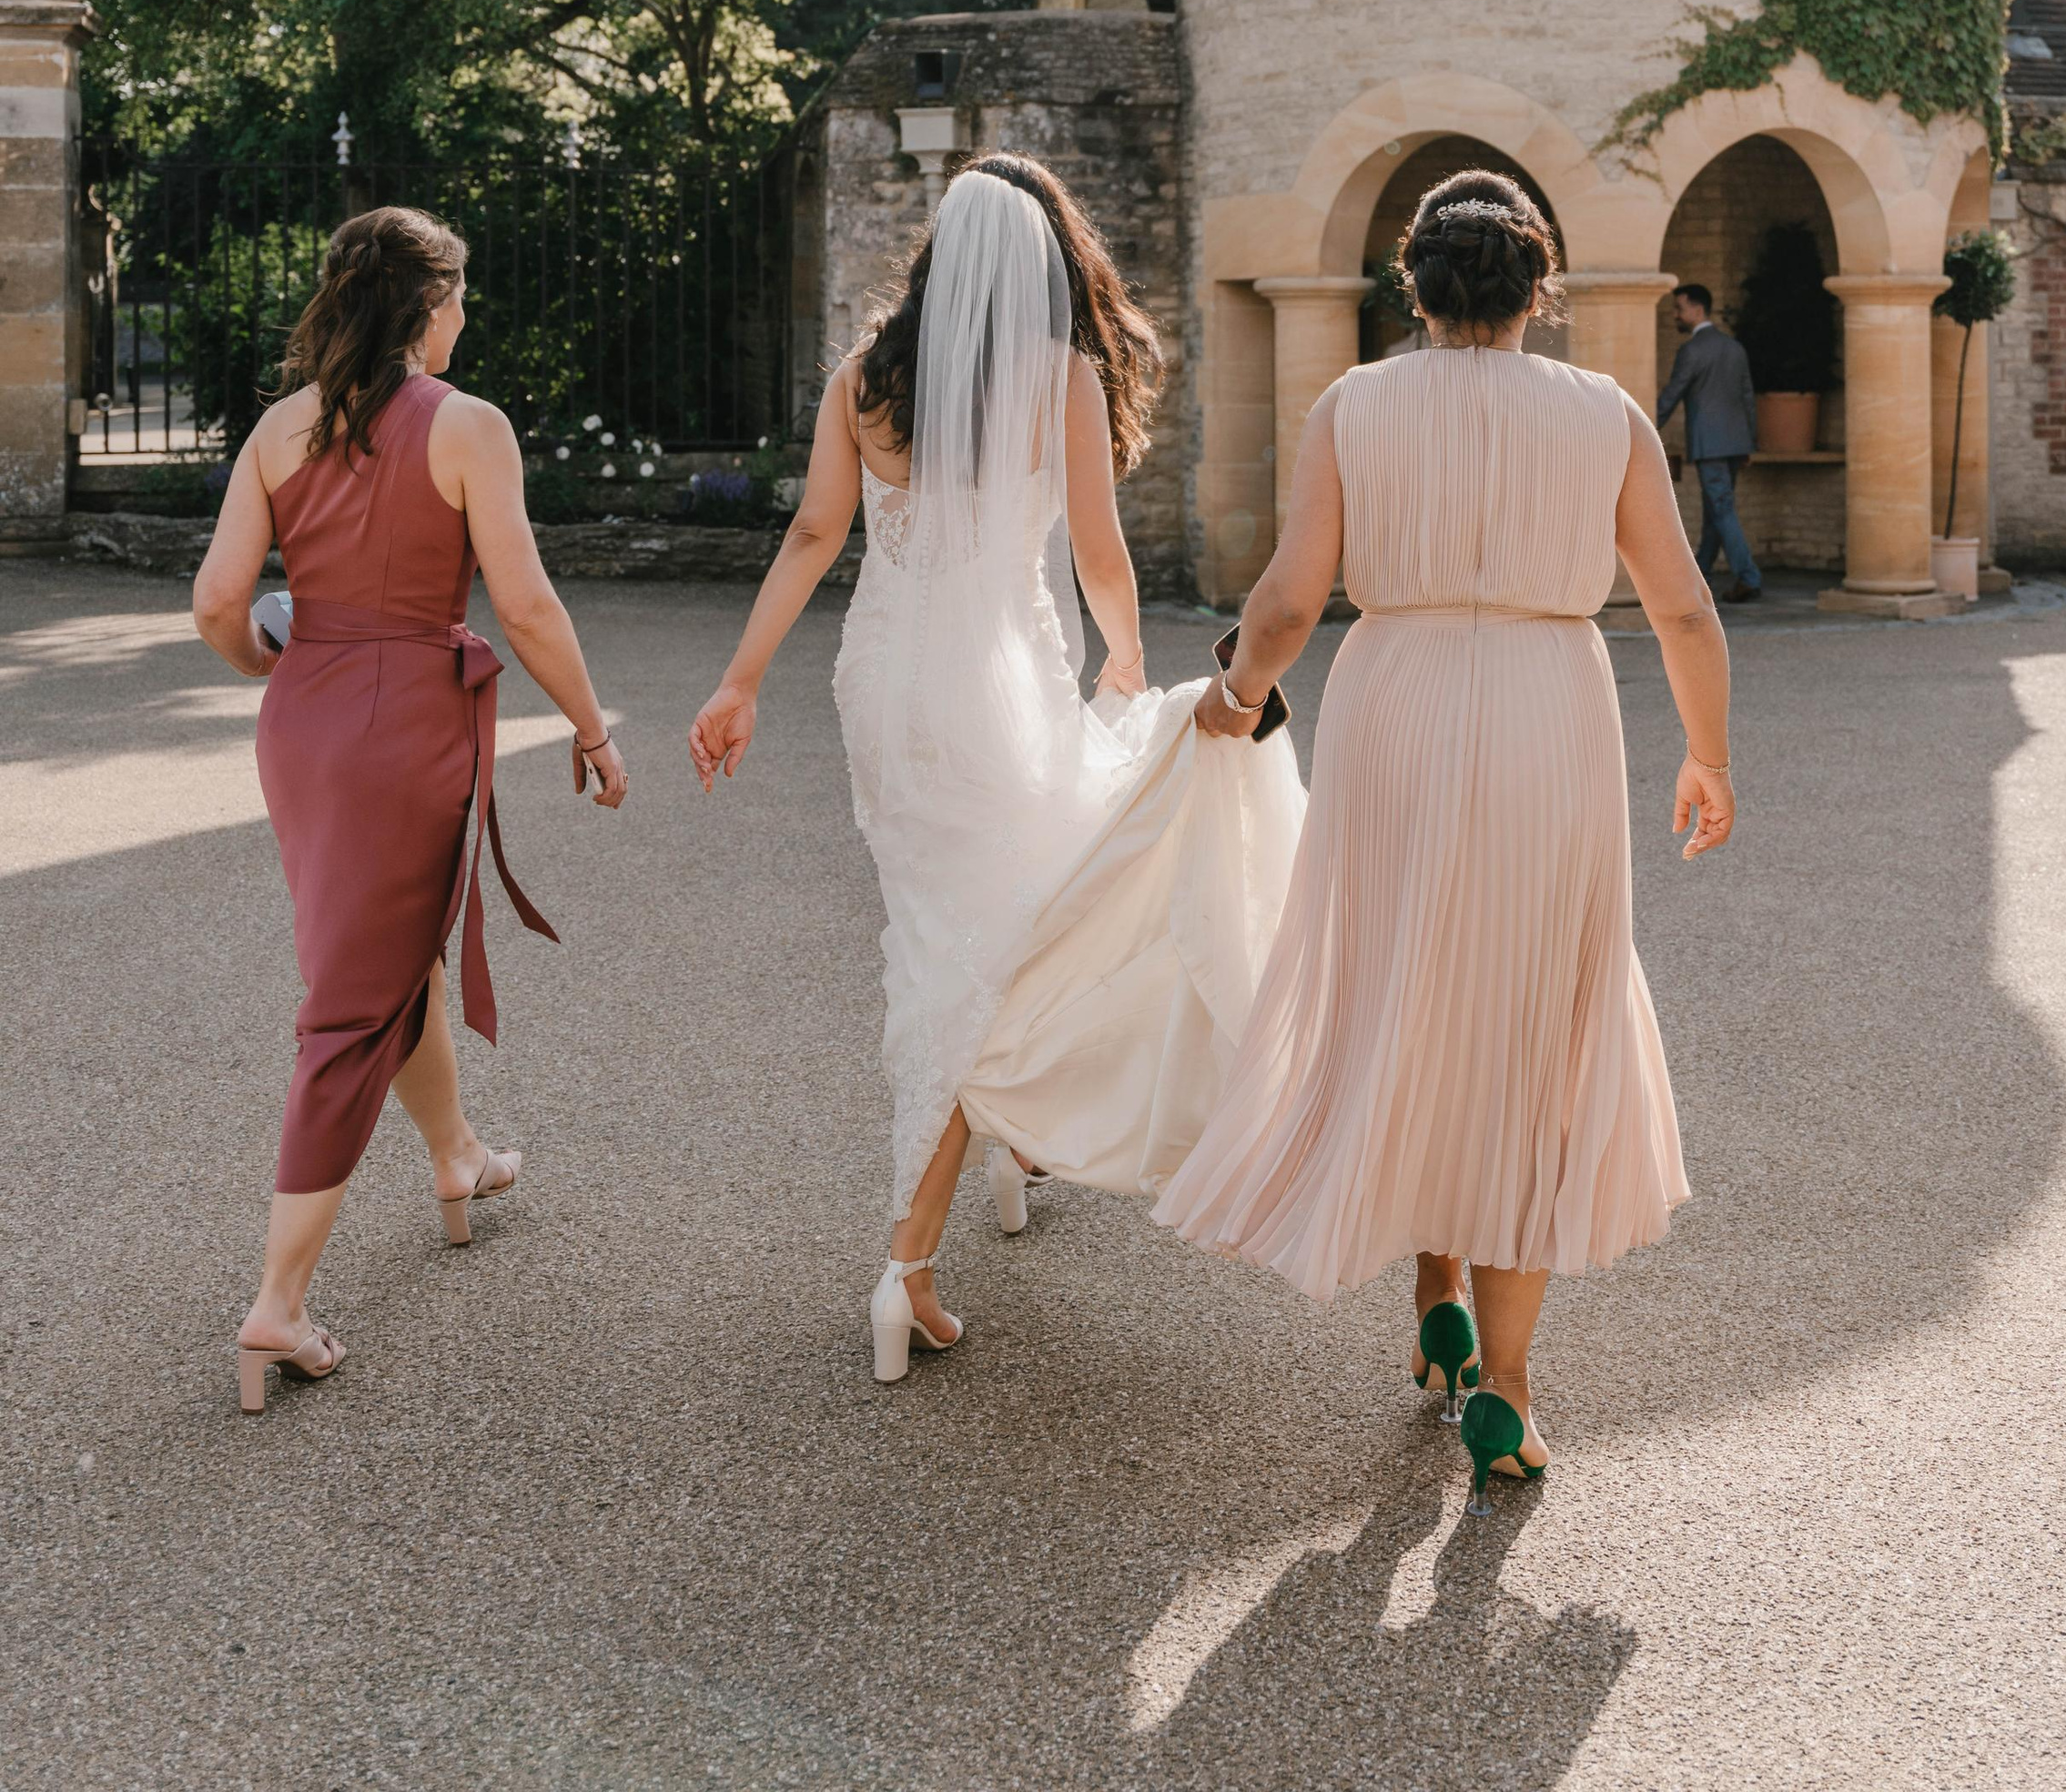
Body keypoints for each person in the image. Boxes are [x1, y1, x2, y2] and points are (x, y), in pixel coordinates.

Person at [1157, 172, 1734, 1504]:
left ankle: (1435, 1292)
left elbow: (1295, 596)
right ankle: (1511, 1394)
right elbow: (1686, 611)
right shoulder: (1606, 415)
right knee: (1531, 1020)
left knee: (1408, 984)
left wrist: (1238, 696)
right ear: (1543, 290)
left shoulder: (1355, 404)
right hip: (1551, 710)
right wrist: (1708, 754)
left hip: (1396, 701)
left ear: (1409, 287)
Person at [687, 157, 1302, 1382]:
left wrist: (740, 679)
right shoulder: (1057, 378)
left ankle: (1006, 1161)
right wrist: (1127, 661)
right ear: (1034, 263)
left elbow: (815, 532)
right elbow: (1096, 548)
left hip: (887, 682)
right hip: (1000, 682)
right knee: (1006, 937)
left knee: (947, 926)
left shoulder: (868, 380)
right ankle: (907, 1260)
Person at [192, 206, 628, 1415]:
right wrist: (591, 730)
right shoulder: (467, 428)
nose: (468, 315)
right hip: (406, 727)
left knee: (387, 953)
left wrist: (269, 668)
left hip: (309, 722)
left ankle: (455, 1157)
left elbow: (220, 598)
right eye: (461, 296)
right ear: (425, 306)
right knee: (351, 1003)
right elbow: (527, 608)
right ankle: (277, 1303)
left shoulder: (279, 430)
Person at [1657, 281, 1762, 603]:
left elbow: (1673, 394)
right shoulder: (1734, 347)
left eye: (1680, 308)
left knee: (1721, 509)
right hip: (1734, 443)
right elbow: (1748, 397)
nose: (1676, 314)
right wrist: (1749, 442)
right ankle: (1701, 574)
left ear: (1697, 309)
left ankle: (1748, 577)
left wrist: (1643, 427)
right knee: (1714, 511)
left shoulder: (1692, 350)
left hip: (1710, 445)